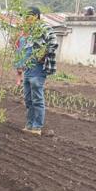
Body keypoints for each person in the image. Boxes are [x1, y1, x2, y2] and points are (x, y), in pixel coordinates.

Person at [15, 7, 58, 136]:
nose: (26, 19)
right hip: (28, 69)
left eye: (28, 17)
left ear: (36, 16)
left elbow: (53, 42)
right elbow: (23, 50)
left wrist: (44, 54)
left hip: (38, 69)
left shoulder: (44, 28)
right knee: (28, 98)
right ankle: (29, 124)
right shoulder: (29, 32)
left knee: (37, 98)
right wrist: (20, 67)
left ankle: (37, 126)